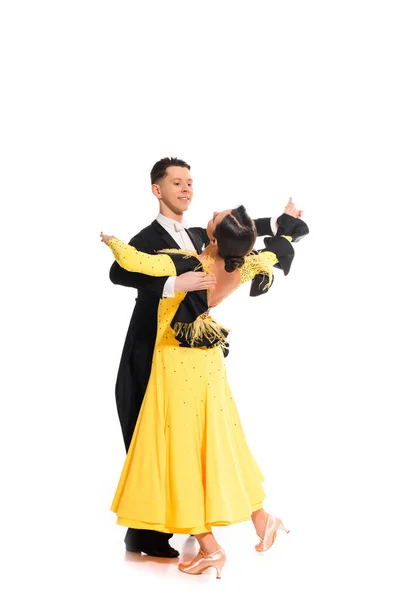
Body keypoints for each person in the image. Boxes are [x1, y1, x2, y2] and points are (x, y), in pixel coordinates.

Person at [109, 156, 304, 558]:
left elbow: (241, 231)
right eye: (177, 182)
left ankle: (182, 530)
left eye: (190, 182)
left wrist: (277, 223)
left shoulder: (199, 237)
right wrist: (171, 283)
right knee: (156, 437)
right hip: (149, 349)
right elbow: (120, 271)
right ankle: (152, 528)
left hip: (184, 356)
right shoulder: (149, 237)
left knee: (177, 441)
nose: (186, 189)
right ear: (156, 190)